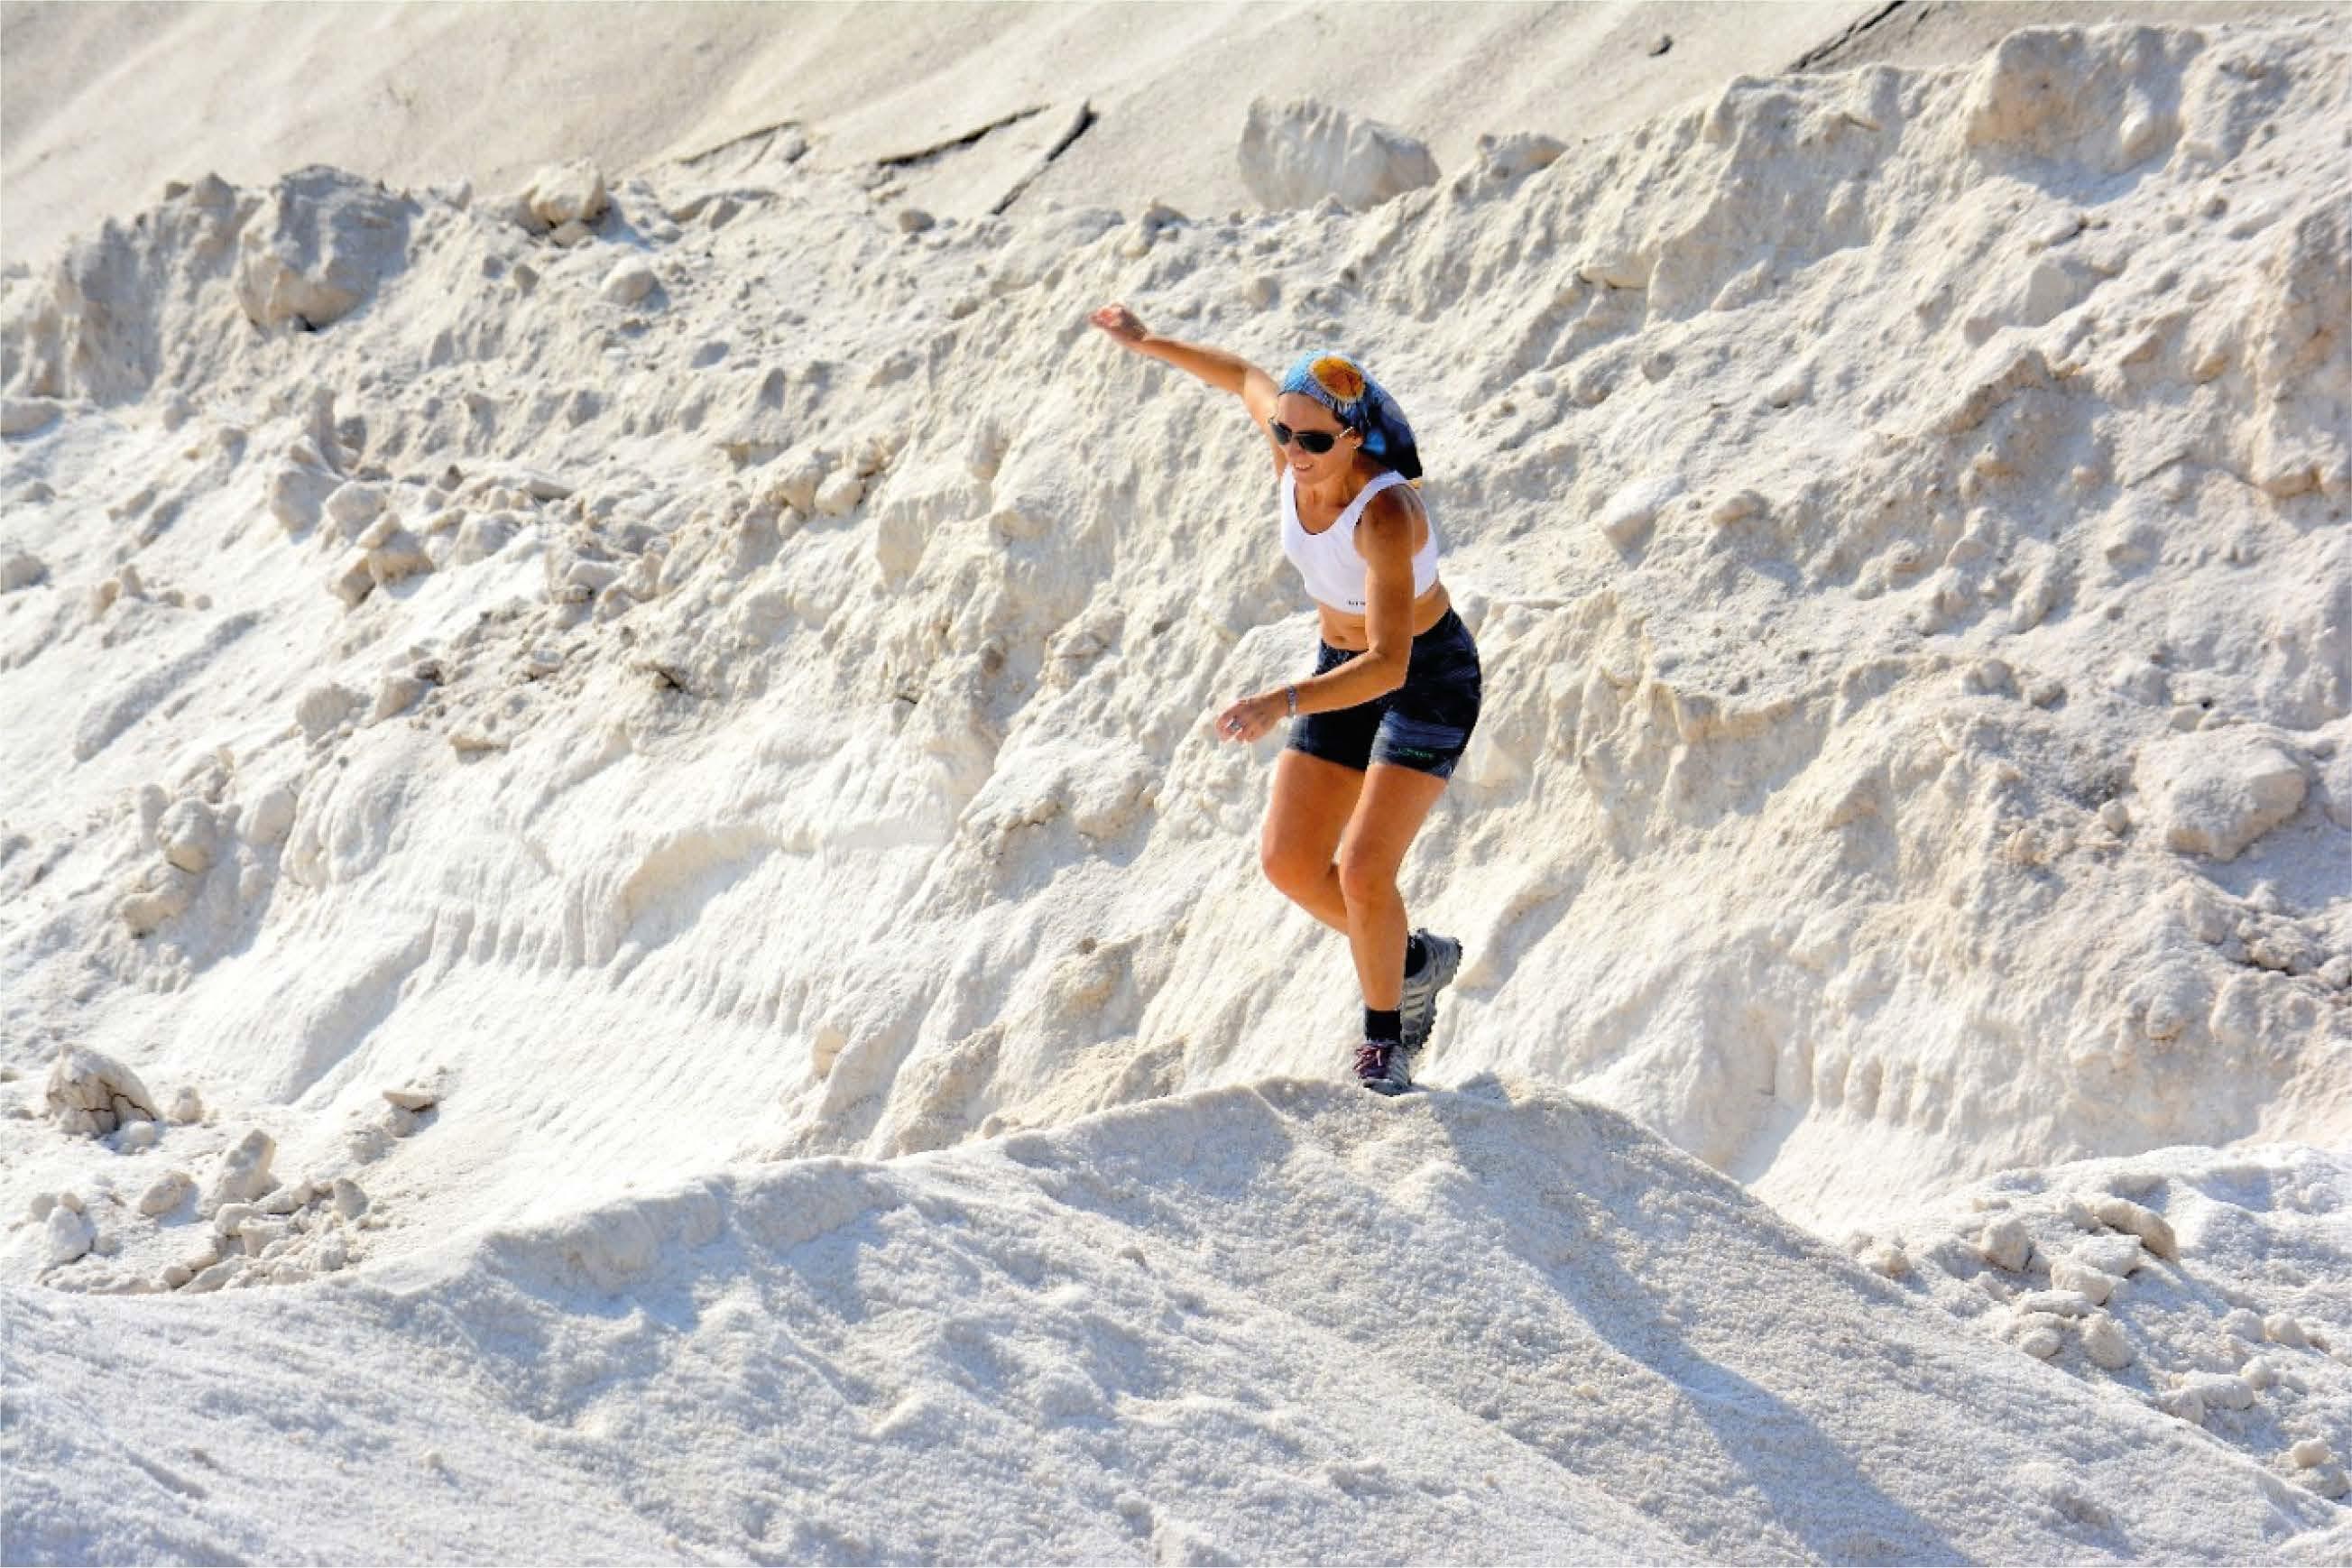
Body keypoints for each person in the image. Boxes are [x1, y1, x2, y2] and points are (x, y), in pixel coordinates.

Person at [1089, 302, 1480, 1095]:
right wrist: (1146, 340)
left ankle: (1384, 1043)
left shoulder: (1385, 514)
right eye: (1284, 435)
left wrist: (1281, 701)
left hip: (1424, 680)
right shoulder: (1292, 452)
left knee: (1364, 871)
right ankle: (1410, 961)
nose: (1294, 452)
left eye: (1314, 441)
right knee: (1290, 864)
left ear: (1353, 437)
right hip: (1340, 666)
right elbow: (1241, 376)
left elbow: (1389, 663)